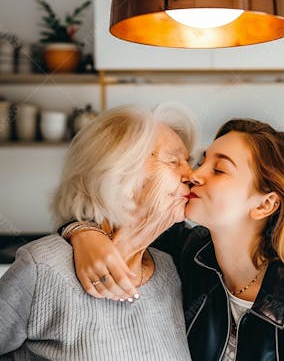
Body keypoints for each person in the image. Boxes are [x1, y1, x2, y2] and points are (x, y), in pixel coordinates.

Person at [58, 118, 284, 361]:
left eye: (219, 169)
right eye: (203, 160)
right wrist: (83, 232)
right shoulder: (186, 252)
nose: (194, 174)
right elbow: (105, 210)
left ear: (265, 205)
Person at [0, 104, 198, 360]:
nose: (191, 175)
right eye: (173, 161)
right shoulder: (43, 268)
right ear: (121, 172)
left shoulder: (170, 269)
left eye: (189, 162)